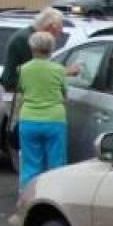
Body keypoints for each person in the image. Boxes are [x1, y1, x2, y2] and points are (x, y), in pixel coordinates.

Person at [16, 31, 69, 191]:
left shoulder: (23, 69)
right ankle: (54, 195)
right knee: (56, 163)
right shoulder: (59, 70)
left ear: (32, 47)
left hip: (29, 119)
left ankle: (27, 197)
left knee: (30, 164)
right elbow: (64, 93)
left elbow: (22, 91)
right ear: (51, 48)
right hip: (54, 119)